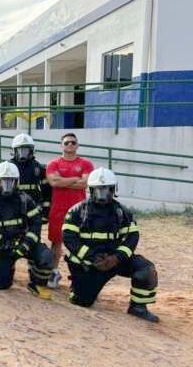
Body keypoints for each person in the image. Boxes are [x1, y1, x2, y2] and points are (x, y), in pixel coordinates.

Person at [62, 168, 159, 322]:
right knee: (82, 301)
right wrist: (92, 257)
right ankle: (77, 287)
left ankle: (138, 307)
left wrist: (117, 257)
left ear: (113, 190)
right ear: (91, 190)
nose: (103, 194)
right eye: (99, 190)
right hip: (90, 263)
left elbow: (132, 236)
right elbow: (69, 238)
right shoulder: (77, 211)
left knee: (146, 269)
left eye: (107, 190)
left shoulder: (122, 211)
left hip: (114, 260)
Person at [0, 162, 53, 299]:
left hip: (23, 242)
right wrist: (2, 242)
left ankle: (37, 283)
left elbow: (36, 224)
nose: (7, 186)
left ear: (17, 182)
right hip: (2, 246)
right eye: (3, 182)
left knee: (46, 256)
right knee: (1, 285)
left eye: (10, 182)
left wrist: (25, 245)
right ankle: (6, 268)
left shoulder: (25, 200)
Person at [46, 133, 94, 288]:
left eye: (73, 142)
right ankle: (53, 273)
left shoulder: (86, 164)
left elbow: (84, 184)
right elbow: (53, 182)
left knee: (80, 243)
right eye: (67, 143)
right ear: (61, 145)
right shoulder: (53, 164)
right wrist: (75, 178)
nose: (70, 145)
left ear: (77, 145)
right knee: (56, 242)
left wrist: (63, 181)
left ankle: (78, 275)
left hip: (80, 211)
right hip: (58, 209)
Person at [8, 133, 51, 221]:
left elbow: (47, 191)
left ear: (31, 150)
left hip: (34, 207)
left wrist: (45, 213)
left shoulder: (38, 167)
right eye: (20, 150)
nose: (22, 154)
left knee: (33, 232)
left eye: (25, 150)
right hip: (13, 207)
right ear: (14, 151)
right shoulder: (8, 167)